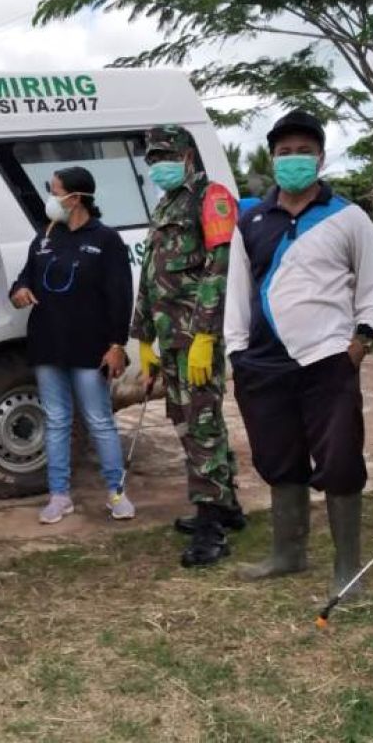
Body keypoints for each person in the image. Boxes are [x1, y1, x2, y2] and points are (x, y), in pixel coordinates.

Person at [224, 110, 373, 595]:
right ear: (273, 159)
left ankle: (347, 570)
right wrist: (237, 351)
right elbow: (236, 290)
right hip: (262, 364)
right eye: (284, 153)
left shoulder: (347, 216)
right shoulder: (251, 219)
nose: (293, 160)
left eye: (303, 152)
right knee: (279, 459)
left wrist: (361, 342)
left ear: (320, 157)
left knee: (339, 462)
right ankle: (288, 553)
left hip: (328, 363)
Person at [132, 125, 242, 567]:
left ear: (188, 156)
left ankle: (211, 528)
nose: (159, 164)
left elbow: (219, 269)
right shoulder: (166, 204)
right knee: (186, 419)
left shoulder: (210, 198)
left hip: (197, 339)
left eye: (166, 155)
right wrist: (143, 337)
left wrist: (204, 335)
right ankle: (226, 506)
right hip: (170, 337)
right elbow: (150, 274)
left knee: (202, 424)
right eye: (152, 158)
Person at [10, 166, 136, 524]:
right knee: (56, 420)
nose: (51, 198)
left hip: (89, 348)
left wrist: (117, 344)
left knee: (98, 420)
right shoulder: (46, 236)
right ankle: (59, 495)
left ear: (76, 198)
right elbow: (25, 278)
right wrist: (18, 292)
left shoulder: (106, 240)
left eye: (55, 191)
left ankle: (116, 492)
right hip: (48, 344)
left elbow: (120, 297)